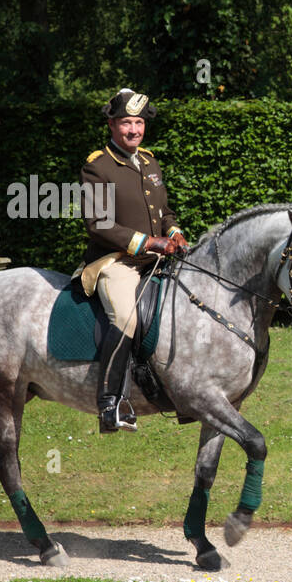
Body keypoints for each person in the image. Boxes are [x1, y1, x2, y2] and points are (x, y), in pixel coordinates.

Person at [78, 88, 189, 433]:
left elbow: (164, 212)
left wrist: (174, 233)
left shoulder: (149, 161)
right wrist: (148, 242)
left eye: (138, 123)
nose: (134, 130)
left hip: (156, 261)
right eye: (126, 123)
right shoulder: (98, 166)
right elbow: (98, 224)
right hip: (117, 263)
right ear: (112, 125)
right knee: (125, 317)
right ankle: (109, 403)